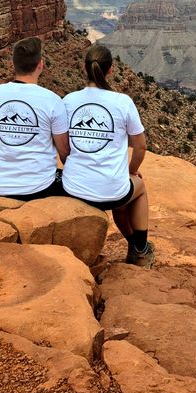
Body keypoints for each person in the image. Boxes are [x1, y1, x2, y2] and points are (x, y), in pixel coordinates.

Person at [61, 44, 154, 268]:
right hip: (111, 190)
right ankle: (140, 250)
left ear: (84, 69)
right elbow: (140, 147)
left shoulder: (68, 101)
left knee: (121, 202)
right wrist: (131, 171)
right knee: (137, 189)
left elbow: (62, 146)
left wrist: (72, 165)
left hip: (73, 188)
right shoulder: (122, 102)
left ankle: (135, 246)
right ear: (111, 70)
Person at [0, 36, 68, 200]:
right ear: (40, 65)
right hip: (39, 187)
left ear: (13, 64)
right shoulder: (52, 100)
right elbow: (63, 150)